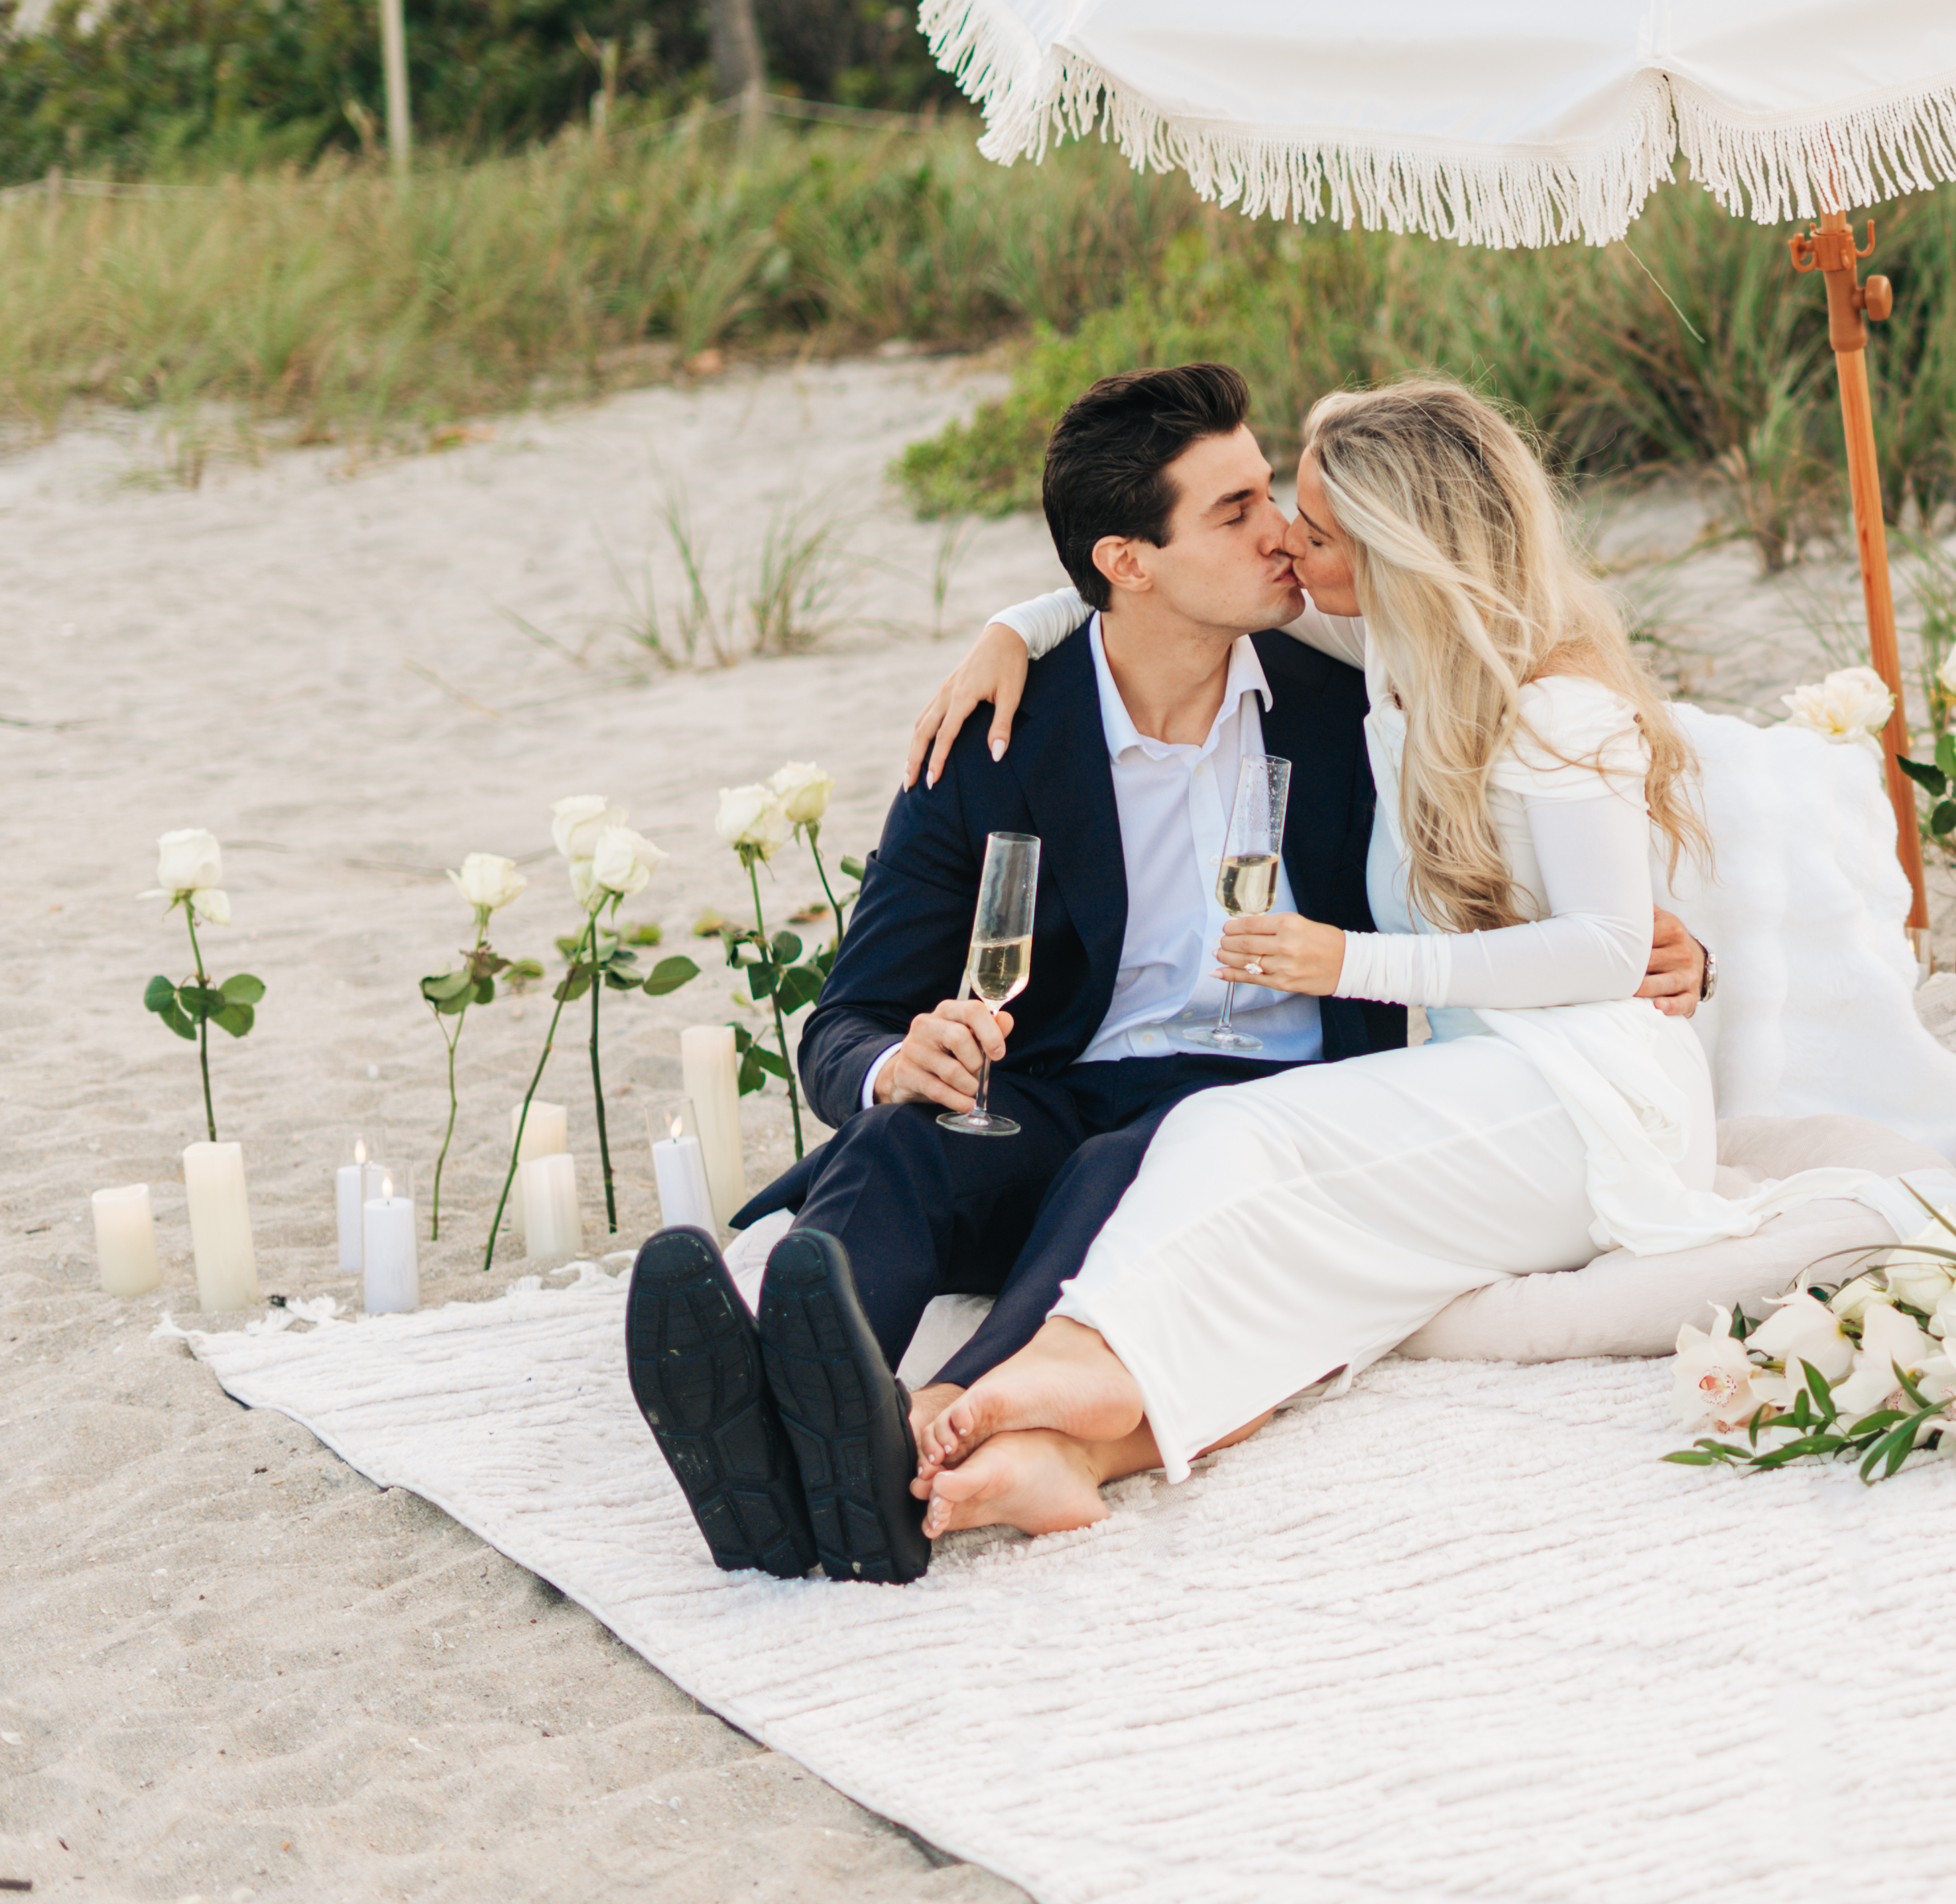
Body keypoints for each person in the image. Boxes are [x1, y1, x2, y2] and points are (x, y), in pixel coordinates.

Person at [620, 363, 1711, 1585]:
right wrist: (888, 1063)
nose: (1284, 536)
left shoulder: (1348, 695)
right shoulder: (993, 740)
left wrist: (1675, 950)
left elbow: (1541, 828)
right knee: (901, 1142)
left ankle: (916, 1438)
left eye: (1277, 501)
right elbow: (849, 1015)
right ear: (1129, 562)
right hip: (1068, 1084)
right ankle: (777, 1423)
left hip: (1272, 1104)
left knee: (1122, 1162)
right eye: (1238, 510)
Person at [898, 377, 1900, 1541]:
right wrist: (1014, 628)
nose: (1284, 543)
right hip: (1487, 1097)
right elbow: (1149, 594)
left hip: (1590, 1099)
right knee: (1293, 1258)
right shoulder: (1389, 661)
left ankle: (1065, 1365)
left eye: (1314, 532)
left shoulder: (1558, 706)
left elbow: (1612, 944)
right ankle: (1076, 1450)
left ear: (1393, 552)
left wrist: (1351, 964)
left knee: (1230, 1134)